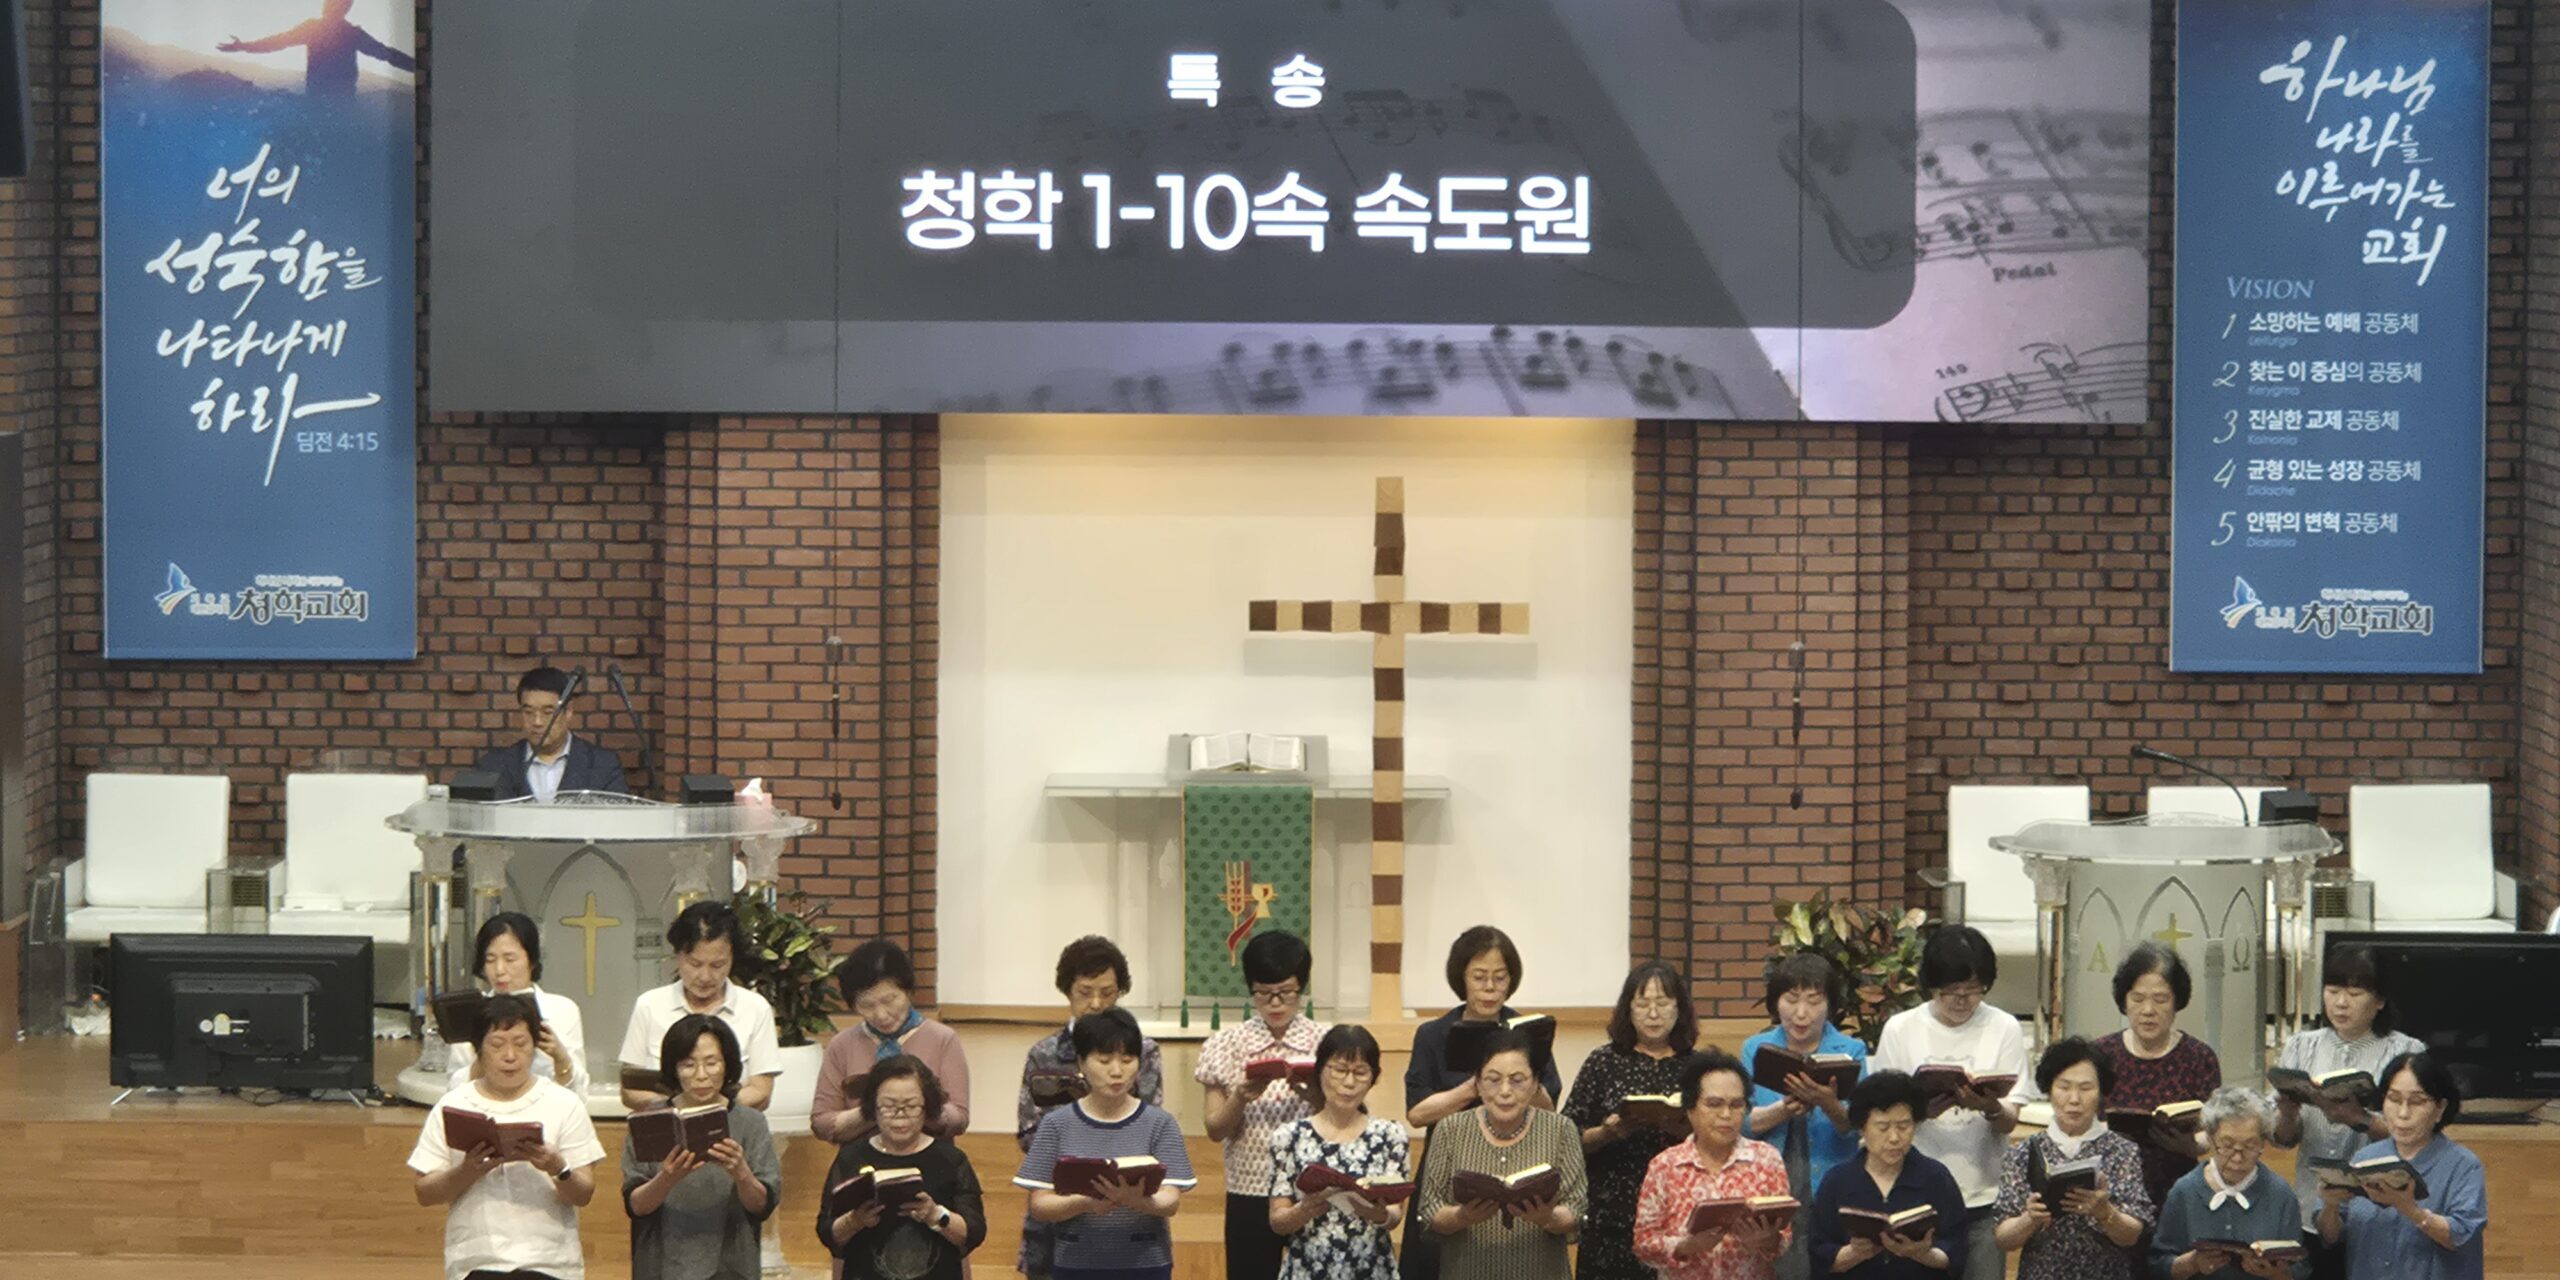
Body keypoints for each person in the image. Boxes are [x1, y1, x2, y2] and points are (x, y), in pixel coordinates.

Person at [1864, 926, 2028, 1280]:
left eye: (1974, 990)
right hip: (1913, 1196)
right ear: (1931, 985)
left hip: (1983, 1196)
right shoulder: (1901, 1029)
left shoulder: (2004, 1027)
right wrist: (1922, 1112)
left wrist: (1989, 1106)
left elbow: (2010, 1120)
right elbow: (1881, 1115)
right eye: (1951, 991)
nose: (1962, 1000)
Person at [409, 993, 608, 1280]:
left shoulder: (564, 1103)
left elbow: (583, 1194)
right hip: (476, 1264)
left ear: (535, 1046)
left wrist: (557, 1168)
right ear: (478, 1049)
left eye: (521, 1043)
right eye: (497, 1044)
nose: (510, 1055)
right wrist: (467, 1171)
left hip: (550, 1265)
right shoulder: (453, 1104)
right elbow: (425, 1193)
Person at [1017, 936, 1169, 1280]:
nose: (1096, 1004)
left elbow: (1150, 1125)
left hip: (1127, 1204)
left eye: (1107, 992)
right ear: (1067, 991)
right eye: (1085, 993)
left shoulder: (1144, 1052)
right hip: (1059, 1197)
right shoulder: (1044, 1054)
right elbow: (1028, 1133)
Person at [1016, 1007, 1198, 1280]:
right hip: (1075, 1262)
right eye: (1103, 1061)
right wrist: (1086, 1202)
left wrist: (1134, 1199)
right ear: (1081, 1063)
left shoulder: (1160, 1123)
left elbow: (1170, 1201)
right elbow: (1040, 1205)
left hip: (1146, 1262)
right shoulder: (1056, 1124)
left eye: (1127, 1060)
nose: (1117, 1071)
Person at [1198, 930, 1329, 1280]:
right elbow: (1215, 1130)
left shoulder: (1325, 1043)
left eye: (1286, 992)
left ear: (1301, 987)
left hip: (1312, 1188)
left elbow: (1350, 1117)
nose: (1275, 1003)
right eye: (1264, 993)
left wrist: (1315, 1097)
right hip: (1249, 1187)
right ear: (1250, 989)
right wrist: (1240, 1098)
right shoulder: (1225, 1045)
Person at [2268, 945, 2424, 1240]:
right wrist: (2287, 1114)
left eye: (2354, 994)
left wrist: (2360, 1120)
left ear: (2380, 1000)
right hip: (2310, 1205)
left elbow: (2417, 1138)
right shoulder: (2301, 1046)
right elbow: (2284, 1141)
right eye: (2332, 991)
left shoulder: (2406, 1052)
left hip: (2379, 1210)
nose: (2340, 1003)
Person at [1565, 961, 1702, 1280]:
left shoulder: (1696, 1066)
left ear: (1679, 1008)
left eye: (1663, 1003)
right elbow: (1567, 1136)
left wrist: (1683, 1129)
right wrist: (1607, 1132)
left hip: (1679, 1208)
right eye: (1642, 1004)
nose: (1653, 1014)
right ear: (1628, 1009)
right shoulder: (1603, 1061)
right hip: (1612, 1209)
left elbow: (1717, 1134)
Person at [1415, 1028, 1588, 1280]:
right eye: (1493, 1080)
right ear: (1477, 1083)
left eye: (1517, 1080)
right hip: (1467, 1271)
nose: (1505, 1091)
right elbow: (1430, 1210)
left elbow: (1576, 1209)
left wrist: (1547, 1217)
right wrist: (1462, 1216)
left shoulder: (1560, 1129)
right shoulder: (1450, 1129)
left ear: (1535, 1083)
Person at [1741, 953, 1870, 1280]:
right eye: (1791, 999)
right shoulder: (1755, 1048)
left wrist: (1828, 1103)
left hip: (1832, 1179)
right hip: (1771, 1181)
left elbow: (1859, 1127)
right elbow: (1741, 1124)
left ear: (1830, 1005)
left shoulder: (1851, 1050)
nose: (1801, 1013)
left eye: (1814, 1001)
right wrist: (1782, 1110)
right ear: (1776, 1002)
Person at [624, 1015, 783, 1280]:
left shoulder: (750, 1122)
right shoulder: (650, 1121)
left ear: (727, 1064)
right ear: (673, 1068)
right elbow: (636, 1206)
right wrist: (667, 1178)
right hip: (661, 1265)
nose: (701, 1075)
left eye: (712, 1063)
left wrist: (741, 1172)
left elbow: (761, 1206)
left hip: (731, 1267)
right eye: (688, 1064)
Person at [1990, 1037, 2152, 1280]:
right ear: (2049, 1090)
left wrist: (2104, 1212)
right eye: (2064, 1087)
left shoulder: (2122, 1151)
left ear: (2101, 1092)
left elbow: (2132, 1236)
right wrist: (2030, 1219)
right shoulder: (2023, 1152)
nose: (2074, 1099)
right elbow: (2003, 1239)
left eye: (2086, 1088)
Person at [2315, 1052, 2487, 1280]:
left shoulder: (2464, 1166)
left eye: (2417, 1102)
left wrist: (2409, 1209)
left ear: (2440, 1108)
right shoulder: (2364, 1158)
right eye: (2394, 1099)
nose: (2403, 1113)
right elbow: (2331, 1237)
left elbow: (2461, 1236)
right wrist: (2330, 1205)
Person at [1630, 1048, 1792, 1280]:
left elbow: (1784, 1237)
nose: (1726, 1114)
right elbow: (1643, 1244)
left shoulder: (1766, 1159)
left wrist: (1767, 1240)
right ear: (1690, 1109)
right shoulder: (1665, 1166)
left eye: (1736, 1105)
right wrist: (1685, 1246)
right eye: (1714, 1104)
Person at [821, 1056, 988, 1280]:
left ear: (927, 1107)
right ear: (873, 1107)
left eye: (911, 1106)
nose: (900, 1116)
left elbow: (974, 1232)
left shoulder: (950, 1159)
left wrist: (936, 1215)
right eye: (889, 1107)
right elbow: (827, 1232)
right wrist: (854, 1221)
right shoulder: (851, 1158)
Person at [1268, 1025, 1410, 1280]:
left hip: (1371, 1269)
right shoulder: (1288, 1136)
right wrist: (1305, 1209)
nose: (1349, 1082)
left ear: (1374, 1078)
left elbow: (1394, 1216)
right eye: (1339, 1070)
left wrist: (1377, 1214)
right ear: (1320, 1070)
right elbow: (1278, 1221)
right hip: (1307, 1269)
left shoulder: (1390, 1135)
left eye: (1360, 1073)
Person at [2089, 943, 2220, 1213]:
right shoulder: (2101, 1055)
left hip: (2178, 1190)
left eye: (2160, 1000)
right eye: (2137, 999)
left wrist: (2190, 1145)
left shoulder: (2199, 1057)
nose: (2148, 1010)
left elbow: (2213, 1131)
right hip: (2109, 1193)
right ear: (2124, 1001)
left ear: (2177, 1002)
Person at [621, 901, 785, 1111]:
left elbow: (761, 1091)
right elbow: (630, 1090)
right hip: (666, 1121)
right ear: (678, 956)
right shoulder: (650, 1005)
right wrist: (678, 1107)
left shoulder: (755, 1008)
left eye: (717, 965)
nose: (705, 976)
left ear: (732, 959)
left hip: (731, 1123)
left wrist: (710, 1109)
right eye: (695, 964)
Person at [1805, 1071, 1968, 1279]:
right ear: (1862, 1128)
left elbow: (1957, 1250)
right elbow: (1818, 1257)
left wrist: (1922, 1254)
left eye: (1904, 1126)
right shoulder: (1837, 1181)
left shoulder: (1936, 1177)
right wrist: (1854, 1254)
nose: (1894, 1138)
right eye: (1883, 1128)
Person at [814, 939, 973, 1143]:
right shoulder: (842, 1044)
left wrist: (916, 1106)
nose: (881, 1015)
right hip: (861, 1157)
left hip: (928, 1157)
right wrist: (874, 1109)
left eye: (889, 1000)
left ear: (908, 991)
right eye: (866, 1005)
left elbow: (959, 1119)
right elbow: (822, 1123)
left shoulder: (942, 1039)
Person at [2150, 1086, 2314, 1280]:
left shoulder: (2280, 1194)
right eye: (2227, 1145)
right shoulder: (2185, 1191)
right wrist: (2193, 1263)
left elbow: (2299, 1269)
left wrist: (2277, 1274)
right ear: (2210, 1139)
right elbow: (2159, 1265)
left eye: (2250, 1145)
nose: (2237, 1158)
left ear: (2263, 1143)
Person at [449, 911, 590, 1098]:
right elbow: (453, 1092)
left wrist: (560, 1057)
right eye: (490, 960)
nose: (499, 970)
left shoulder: (562, 1010)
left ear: (531, 960)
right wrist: (484, 1057)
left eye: (510, 959)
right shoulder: (472, 1012)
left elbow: (580, 1096)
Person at [471, 665, 629, 802]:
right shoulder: (494, 765)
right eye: (528, 712)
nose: (537, 722)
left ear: (568, 711)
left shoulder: (602, 765)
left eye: (548, 713)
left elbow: (618, 820)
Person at [215, 0, 416, 96]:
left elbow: (277, 42)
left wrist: (243, 46)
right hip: (340, 101)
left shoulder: (315, 29)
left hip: (320, 99)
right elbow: (386, 54)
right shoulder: (352, 33)